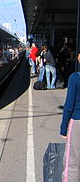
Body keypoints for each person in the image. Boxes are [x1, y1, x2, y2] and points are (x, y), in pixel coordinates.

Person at [60, 52, 80, 182]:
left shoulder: (75, 78)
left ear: (78, 57)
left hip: (77, 122)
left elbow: (68, 106)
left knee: (72, 161)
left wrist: (63, 128)